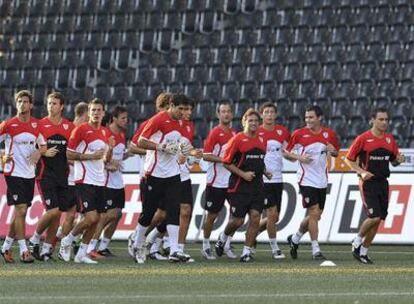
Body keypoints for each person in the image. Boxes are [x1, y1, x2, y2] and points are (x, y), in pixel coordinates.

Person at [133, 93, 199, 263]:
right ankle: (138, 244)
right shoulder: (159, 119)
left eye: (186, 109)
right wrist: (160, 146)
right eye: (181, 109)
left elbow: (182, 145)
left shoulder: (183, 124)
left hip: (173, 174)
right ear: (171, 105)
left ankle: (175, 250)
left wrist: (192, 153)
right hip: (154, 173)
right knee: (148, 214)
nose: (184, 112)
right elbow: (140, 141)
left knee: (174, 211)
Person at [345, 108, 404, 264]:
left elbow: (394, 161)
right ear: (372, 120)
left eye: (386, 120)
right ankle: (356, 240)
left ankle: (364, 251)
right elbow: (348, 159)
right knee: (374, 216)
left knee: (378, 220)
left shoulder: (390, 139)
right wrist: (362, 172)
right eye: (381, 119)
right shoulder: (363, 138)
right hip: (368, 183)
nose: (384, 122)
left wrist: (399, 160)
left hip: (383, 182)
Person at [58, 98, 113, 264]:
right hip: (83, 180)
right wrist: (89, 156)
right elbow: (68, 154)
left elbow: (106, 160)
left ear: (103, 113)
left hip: (100, 180)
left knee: (97, 219)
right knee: (90, 218)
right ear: (89, 112)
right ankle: (66, 241)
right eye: (93, 110)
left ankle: (81, 253)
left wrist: (109, 149)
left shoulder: (105, 132)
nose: (96, 113)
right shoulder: (81, 130)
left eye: (99, 110)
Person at [285, 105, 340, 260]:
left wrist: (332, 151)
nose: (308, 120)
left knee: (316, 215)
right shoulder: (299, 134)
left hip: (322, 180)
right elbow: (286, 153)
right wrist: (299, 158)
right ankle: (316, 249)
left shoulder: (329, 134)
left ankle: (295, 238)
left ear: (319, 118)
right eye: (306, 117)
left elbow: (335, 152)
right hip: (305, 179)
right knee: (314, 213)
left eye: (311, 117)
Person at [215, 108, 269, 263]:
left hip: (257, 187)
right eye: (250, 120)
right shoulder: (237, 139)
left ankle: (246, 252)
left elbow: (259, 160)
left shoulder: (262, 139)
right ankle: (223, 237)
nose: (253, 123)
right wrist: (243, 174)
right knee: (238, 221)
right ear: (244, 122)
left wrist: (265, 171)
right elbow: (226, 162)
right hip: (239, 186)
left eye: (256, 121)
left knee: (255, 218)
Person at [28, 92, 75, 261]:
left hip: (63, 176)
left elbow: (73, 150)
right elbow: (30, 151)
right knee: (53, 210)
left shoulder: (69, 127)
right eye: (49, 103)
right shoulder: (40, 125)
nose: (51, 106)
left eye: (54, 103)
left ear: (61, 106)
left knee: (58, 213)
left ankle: (46, 249)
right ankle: (34, 240)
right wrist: (43, 152)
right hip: (45, 174)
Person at [0, 90, 44, 263]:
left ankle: (5, 247)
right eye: (19, 101)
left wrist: (38, 154)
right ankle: (24, 251)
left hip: (29, 174)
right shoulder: (8, 125)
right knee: (21, 210)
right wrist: (2, 156)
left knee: (21, 213)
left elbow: (43, 145)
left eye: (26, 101)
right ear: (15, 104)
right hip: (13, 172)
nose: (22, 104)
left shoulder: (36, 125)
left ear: (31, 105)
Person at [127, 92, 172, 260]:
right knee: (153, 213)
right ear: (160, 108)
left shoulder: (172, 125)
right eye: (167, 107)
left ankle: (149, 244)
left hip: (166, 175)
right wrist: (155, 148)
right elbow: (132, 147)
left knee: (168, 212)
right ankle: (137, 238)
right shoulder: (149, 123)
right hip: (148, 174)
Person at [87, 106, 129, 258]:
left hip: (117, 181)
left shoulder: (122, 135)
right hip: (105, 181)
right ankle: (90, 245)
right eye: (123, 118)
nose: (126, 121)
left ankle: (103, 246)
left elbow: (118, 156)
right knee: (106, 215)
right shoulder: (105, 133)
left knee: (117, 215)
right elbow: (98, 157)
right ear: (114, 119)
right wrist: (108, 165)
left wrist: (127, 154)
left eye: (126, 118)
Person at [201, 101, 237, 260]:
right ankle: (206, 245)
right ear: (218, 114)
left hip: (232, 181)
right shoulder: (214, 133)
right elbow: (206, 155)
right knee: (212, 215)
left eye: (228, 111)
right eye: (223, 111)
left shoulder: (235, 134)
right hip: (216, 181)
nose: (226, 114)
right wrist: (223, 159)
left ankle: (226, 243)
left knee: (236, 216)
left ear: (232, 114)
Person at [256, 101, 290, 259]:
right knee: (271, 213)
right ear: (262, 115)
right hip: (263, 179)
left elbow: (288, 151)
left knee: (274, 217)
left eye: (272, 112)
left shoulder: (283, 132)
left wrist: (299, 157)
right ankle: (275, 248)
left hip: (278, 178)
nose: (269, 115)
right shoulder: (257, 132)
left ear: (276, 114)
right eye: (266, 112)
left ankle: (251, 235)